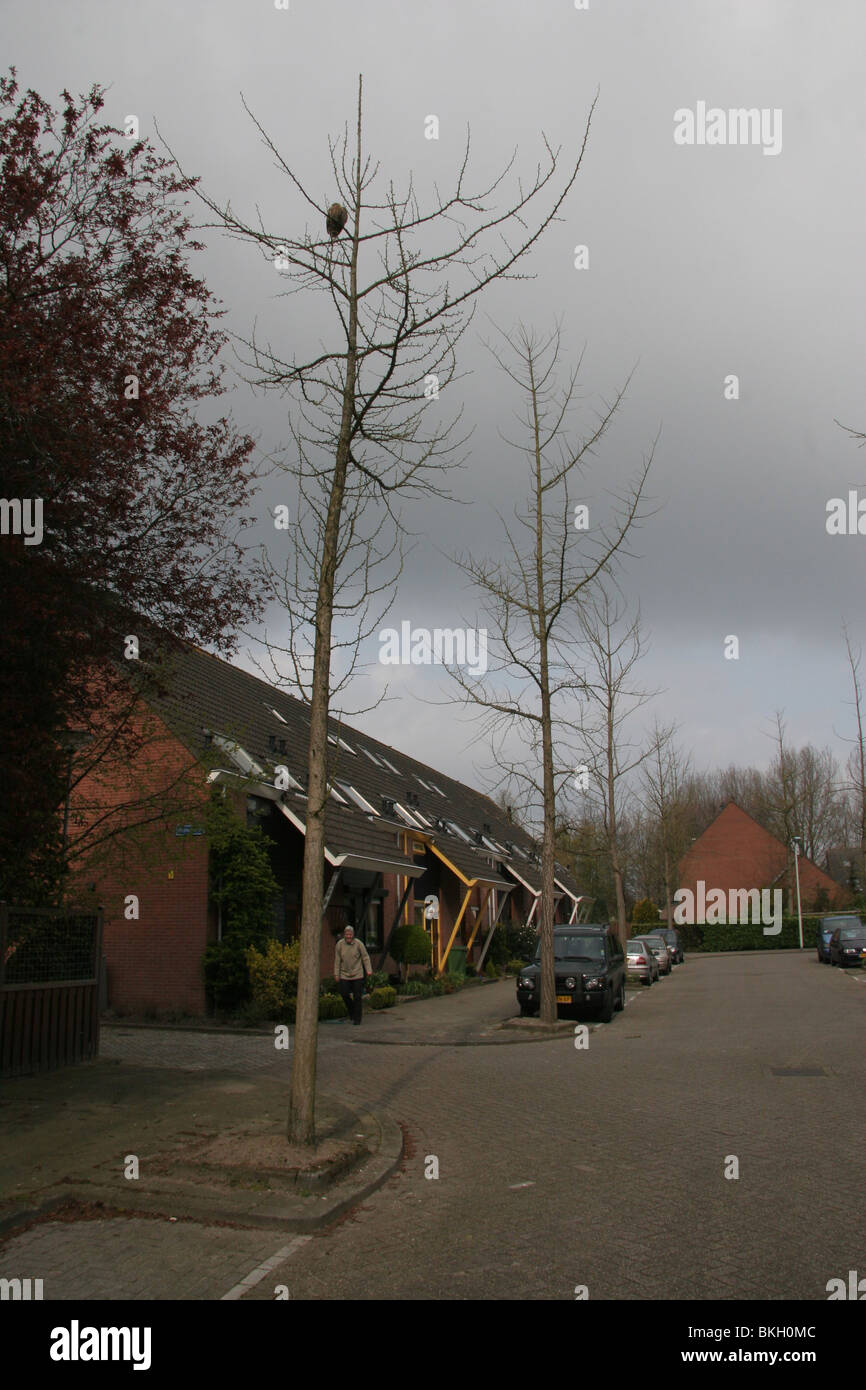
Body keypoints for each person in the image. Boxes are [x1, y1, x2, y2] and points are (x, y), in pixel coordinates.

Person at [334, 925, 372, 1025]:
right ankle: (352, 1011)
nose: (348, 937)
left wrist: (368, 970)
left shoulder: (359, 944)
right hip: (344, 973)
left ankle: (357, 1019)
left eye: (350, 935)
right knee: (344, 994)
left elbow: (365, 957)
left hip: (357, 973)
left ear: (353, 935)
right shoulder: (340, 945)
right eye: (347, 934)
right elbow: (337, 960)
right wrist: (336, 974)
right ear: (344, 935)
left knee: (357, 996)